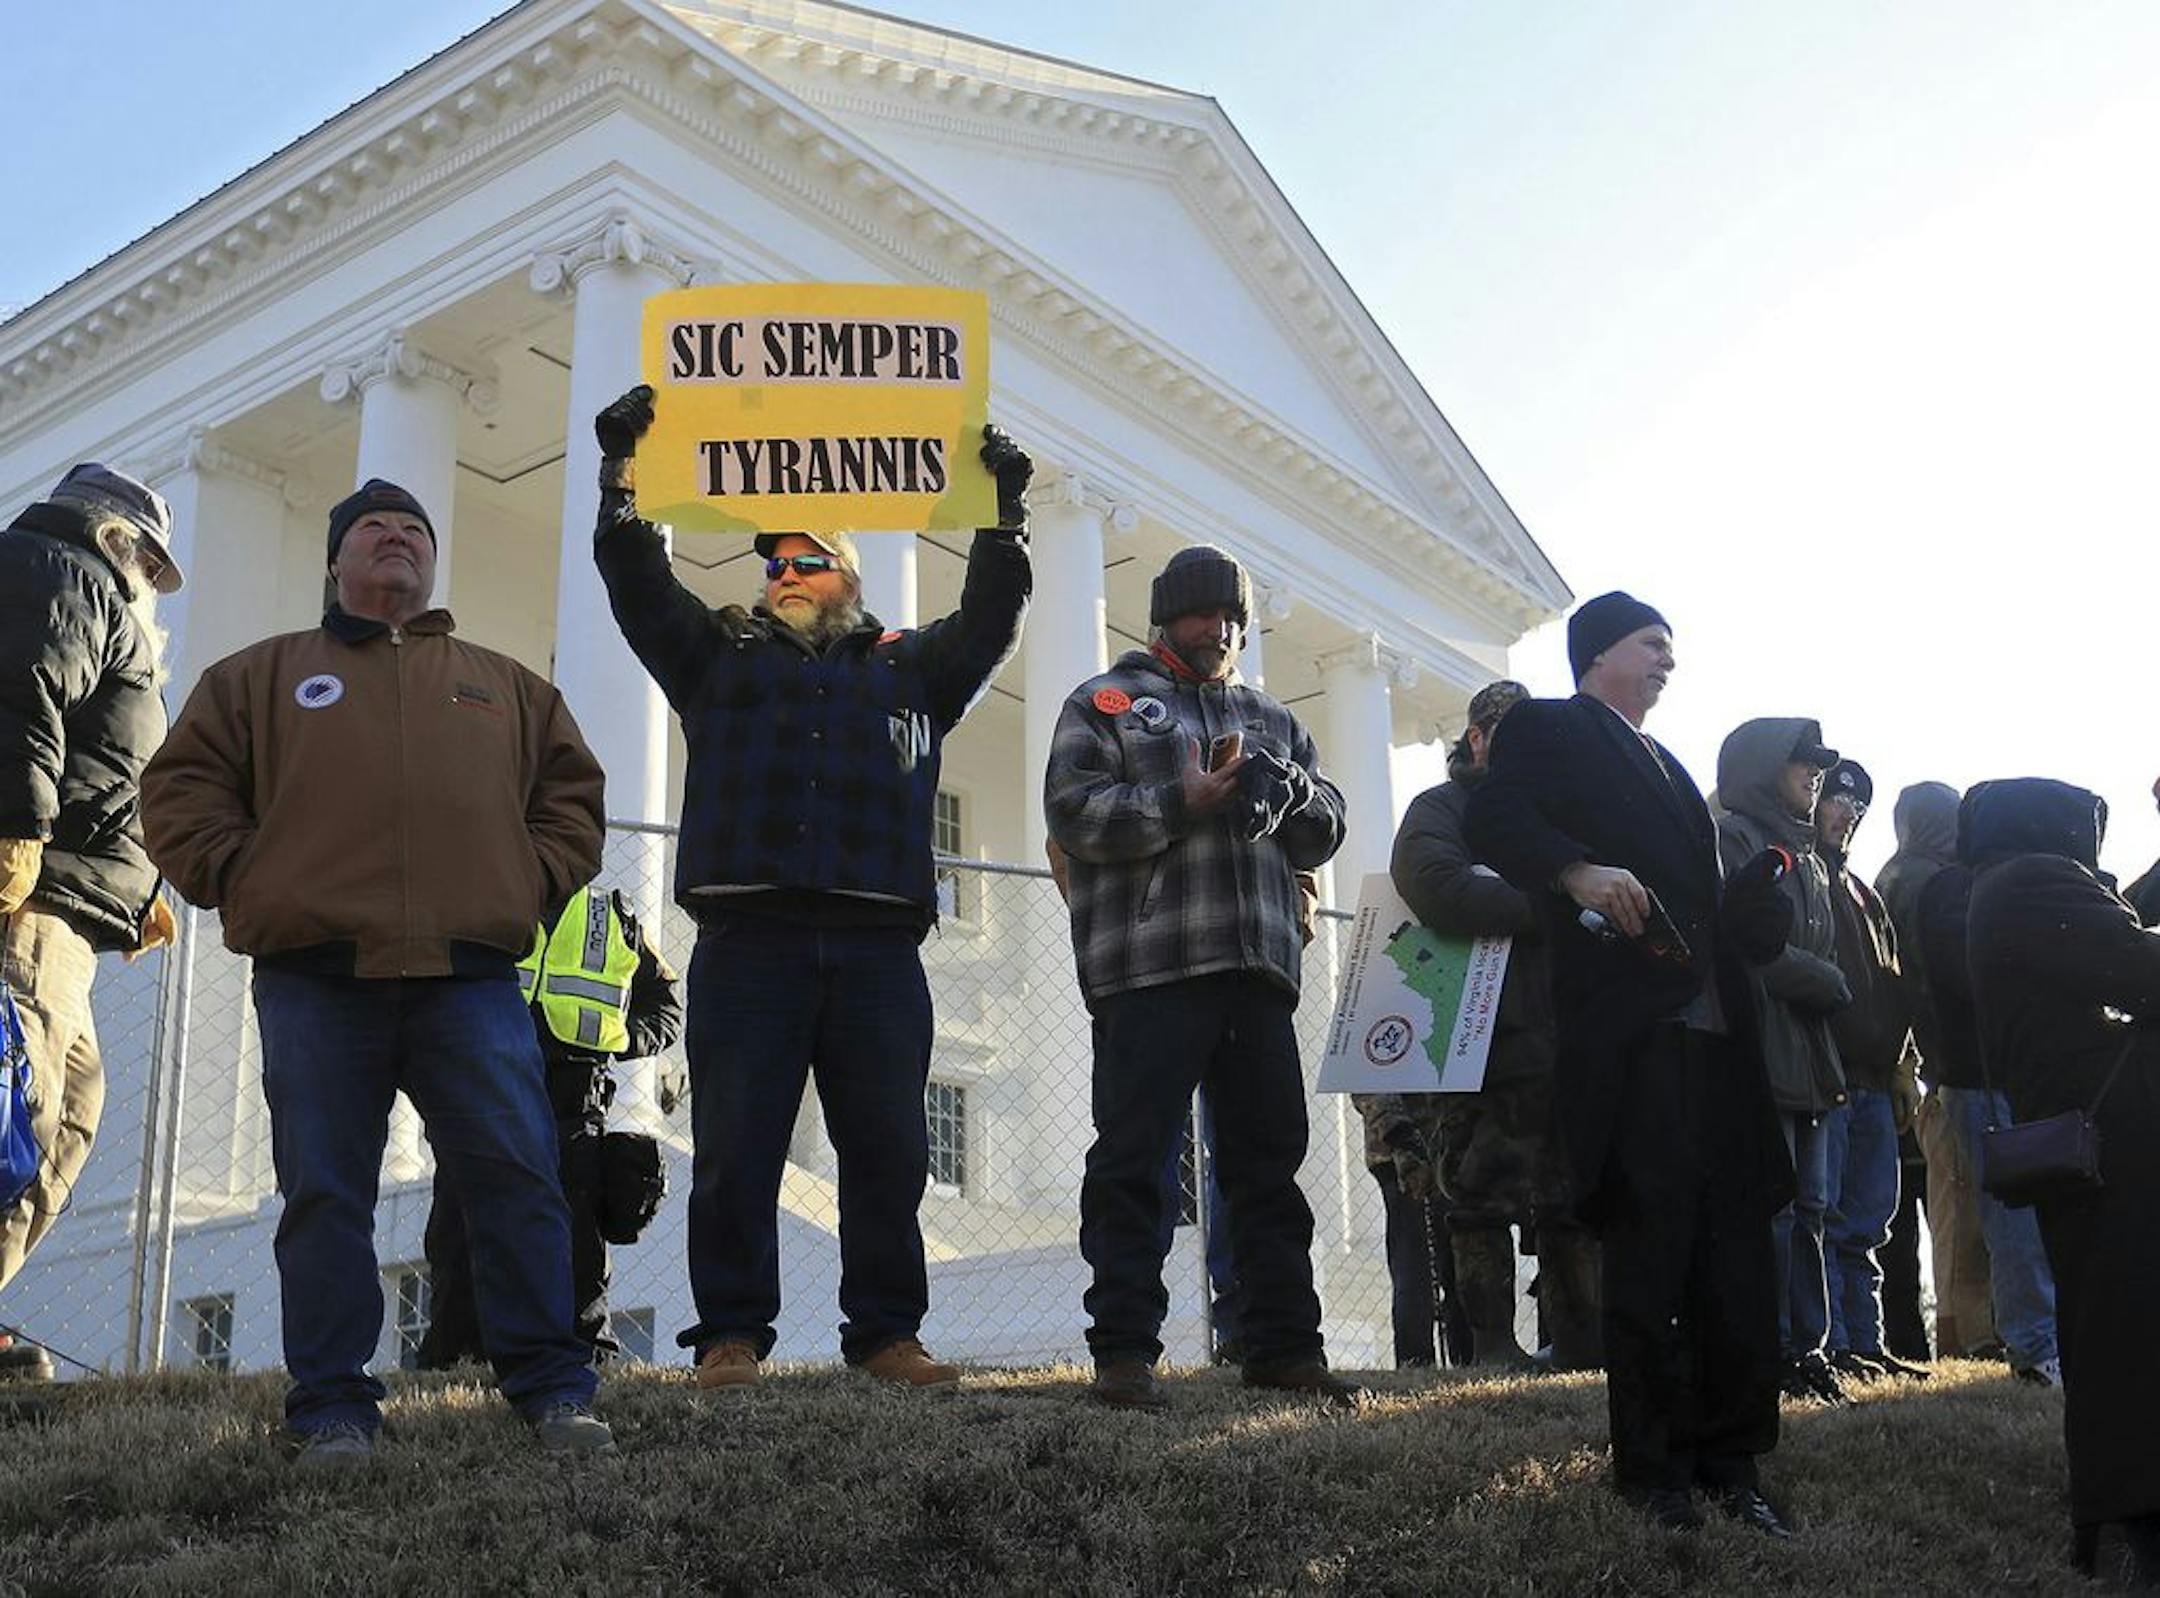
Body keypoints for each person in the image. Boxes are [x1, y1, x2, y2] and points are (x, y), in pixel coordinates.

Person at [142, 478, 614, 1462]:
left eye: (413, 530)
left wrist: (527, 879)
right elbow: (181, 788)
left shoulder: (506, 684)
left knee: (519, 1178)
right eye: (373, 528)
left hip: (471, 977)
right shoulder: (258, 677)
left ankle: (553, 1385)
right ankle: (333, 1405)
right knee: (326, 1192)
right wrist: (245, 877)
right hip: (317, 976)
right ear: (335, 562)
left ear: (431, 562)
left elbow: (572, 794)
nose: (397, 539)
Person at [588, 386, 1032, 1390]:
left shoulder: (913, 668)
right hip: (750, 939)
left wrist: (1004, 514)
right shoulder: (717, 657)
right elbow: (637, 582)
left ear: (848, 576)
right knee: (737, 1146)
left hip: (879, 947)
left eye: (808, 559)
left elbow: (993, 617)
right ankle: (731, 1334)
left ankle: (886, 1333)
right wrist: (623, 476)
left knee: (888, 1150)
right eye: (775, 562)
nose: (786, 573)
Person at [1467, 592, 1796, 1536]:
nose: (1668, 662)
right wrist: (1577, 871)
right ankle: (1652, 1472)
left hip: (1719, 1049)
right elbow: (1498, 819)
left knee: (1733, 1256)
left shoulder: (1673, 766)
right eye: (1654, 645)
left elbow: (1708, 913)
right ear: (1600, 652)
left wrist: (1754, 911)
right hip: (1635, 1042)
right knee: (1651, 1252)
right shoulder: (1550, 727)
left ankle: (1732, 1463)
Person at [1046, 544, 1352, 1412]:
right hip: (1149, 967)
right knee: (1135, 1159)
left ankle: (1285, 1346)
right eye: (1199, 615)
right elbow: (1074, 814)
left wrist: (1291, 796)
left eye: (1230, 618)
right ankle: (1124, 1351)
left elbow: (1329, 825)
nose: (1216, 631)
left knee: (1267, 1166)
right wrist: (1185, 801)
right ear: (1162, 618)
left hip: (1257, 970)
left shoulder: (1274, 717)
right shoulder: (1107, 702)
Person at [0, 466, 182, 1383]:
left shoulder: (82, 588)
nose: (153, 576)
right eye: (148, 554)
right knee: (19, 1108)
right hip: (24, 900)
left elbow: (103, 775)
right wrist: (15, 838)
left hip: (65, 907)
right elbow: (20, 704)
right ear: (115, 534)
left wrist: (136, 890)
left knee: (68, 1113)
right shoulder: (61, 568)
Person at [1964, 777, 2160, 1586]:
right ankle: (2128, 1523)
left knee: (2112, 1324)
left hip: (2095, 1143)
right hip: (2111, 1148)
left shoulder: (2007, 886)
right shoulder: (2033, 881)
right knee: (2124, 1330)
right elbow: (2141, 966)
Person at [1374, 678, 1598, 1371]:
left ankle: (1581, 1342)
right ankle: (1494, 1347)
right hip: (1476, 1046)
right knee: (1476, 1197)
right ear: (1476, 737)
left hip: (1565, 1042)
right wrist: (1557, 902)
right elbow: (1440, 888)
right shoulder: (1442, 809)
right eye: (1505, 729)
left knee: (1572, 1201)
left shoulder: (1564, 812)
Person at [419, 883, 682, 1368]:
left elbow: (665, 1006)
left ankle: (585, 1350)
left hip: (573, 1093)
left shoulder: (614, 918)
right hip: (485, 1085)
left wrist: (620, 1040)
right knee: (460, 1225)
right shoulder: (482, 895)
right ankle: (454, 1354)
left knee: (576, 1232)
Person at [1712, 718, 1849, 1406]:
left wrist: (1822, 981)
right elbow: (1742, 944)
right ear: (1766, 767)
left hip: (1809, 1054)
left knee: (1813, 1207)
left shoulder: (1808, 852)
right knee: (1775, 1210)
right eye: (1803, 763)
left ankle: (1810, 1349)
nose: (1815, 774)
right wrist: (1821, 982)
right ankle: (1770, 1351)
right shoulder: (1736, 837)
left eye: (1819, 765)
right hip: (1763, 1049)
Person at [1918, 790, 2060, 1384]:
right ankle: (2033, 1347)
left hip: (2016, 1076)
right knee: (2015, 1218)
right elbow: (1972, 974)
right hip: (1981, 1077)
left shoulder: (1989, 888)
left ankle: (2045, 1340)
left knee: (2035, 1215)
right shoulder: (1953, 891)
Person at [1813, 759, 1927, 1381]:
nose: (1846, 815)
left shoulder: (1865, 891)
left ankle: (1867, 1343)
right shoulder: (1803, 879)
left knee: (1867, 1226)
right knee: (1827, 1220)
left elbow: (1895, 987)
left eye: (1856, 808)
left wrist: (1905, 1068)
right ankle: (1829, 1345)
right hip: (1827, 1078)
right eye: (1835, 801)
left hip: (1876, 1084)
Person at [1876, 779, 1995, 1359]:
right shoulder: (1933, 883)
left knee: (1936, 1222)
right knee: (1963, 1215)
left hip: (1914, 1069)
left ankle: (1946, 1335)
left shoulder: (1891, 877)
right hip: (1943, 1070)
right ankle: (1967, 1338)